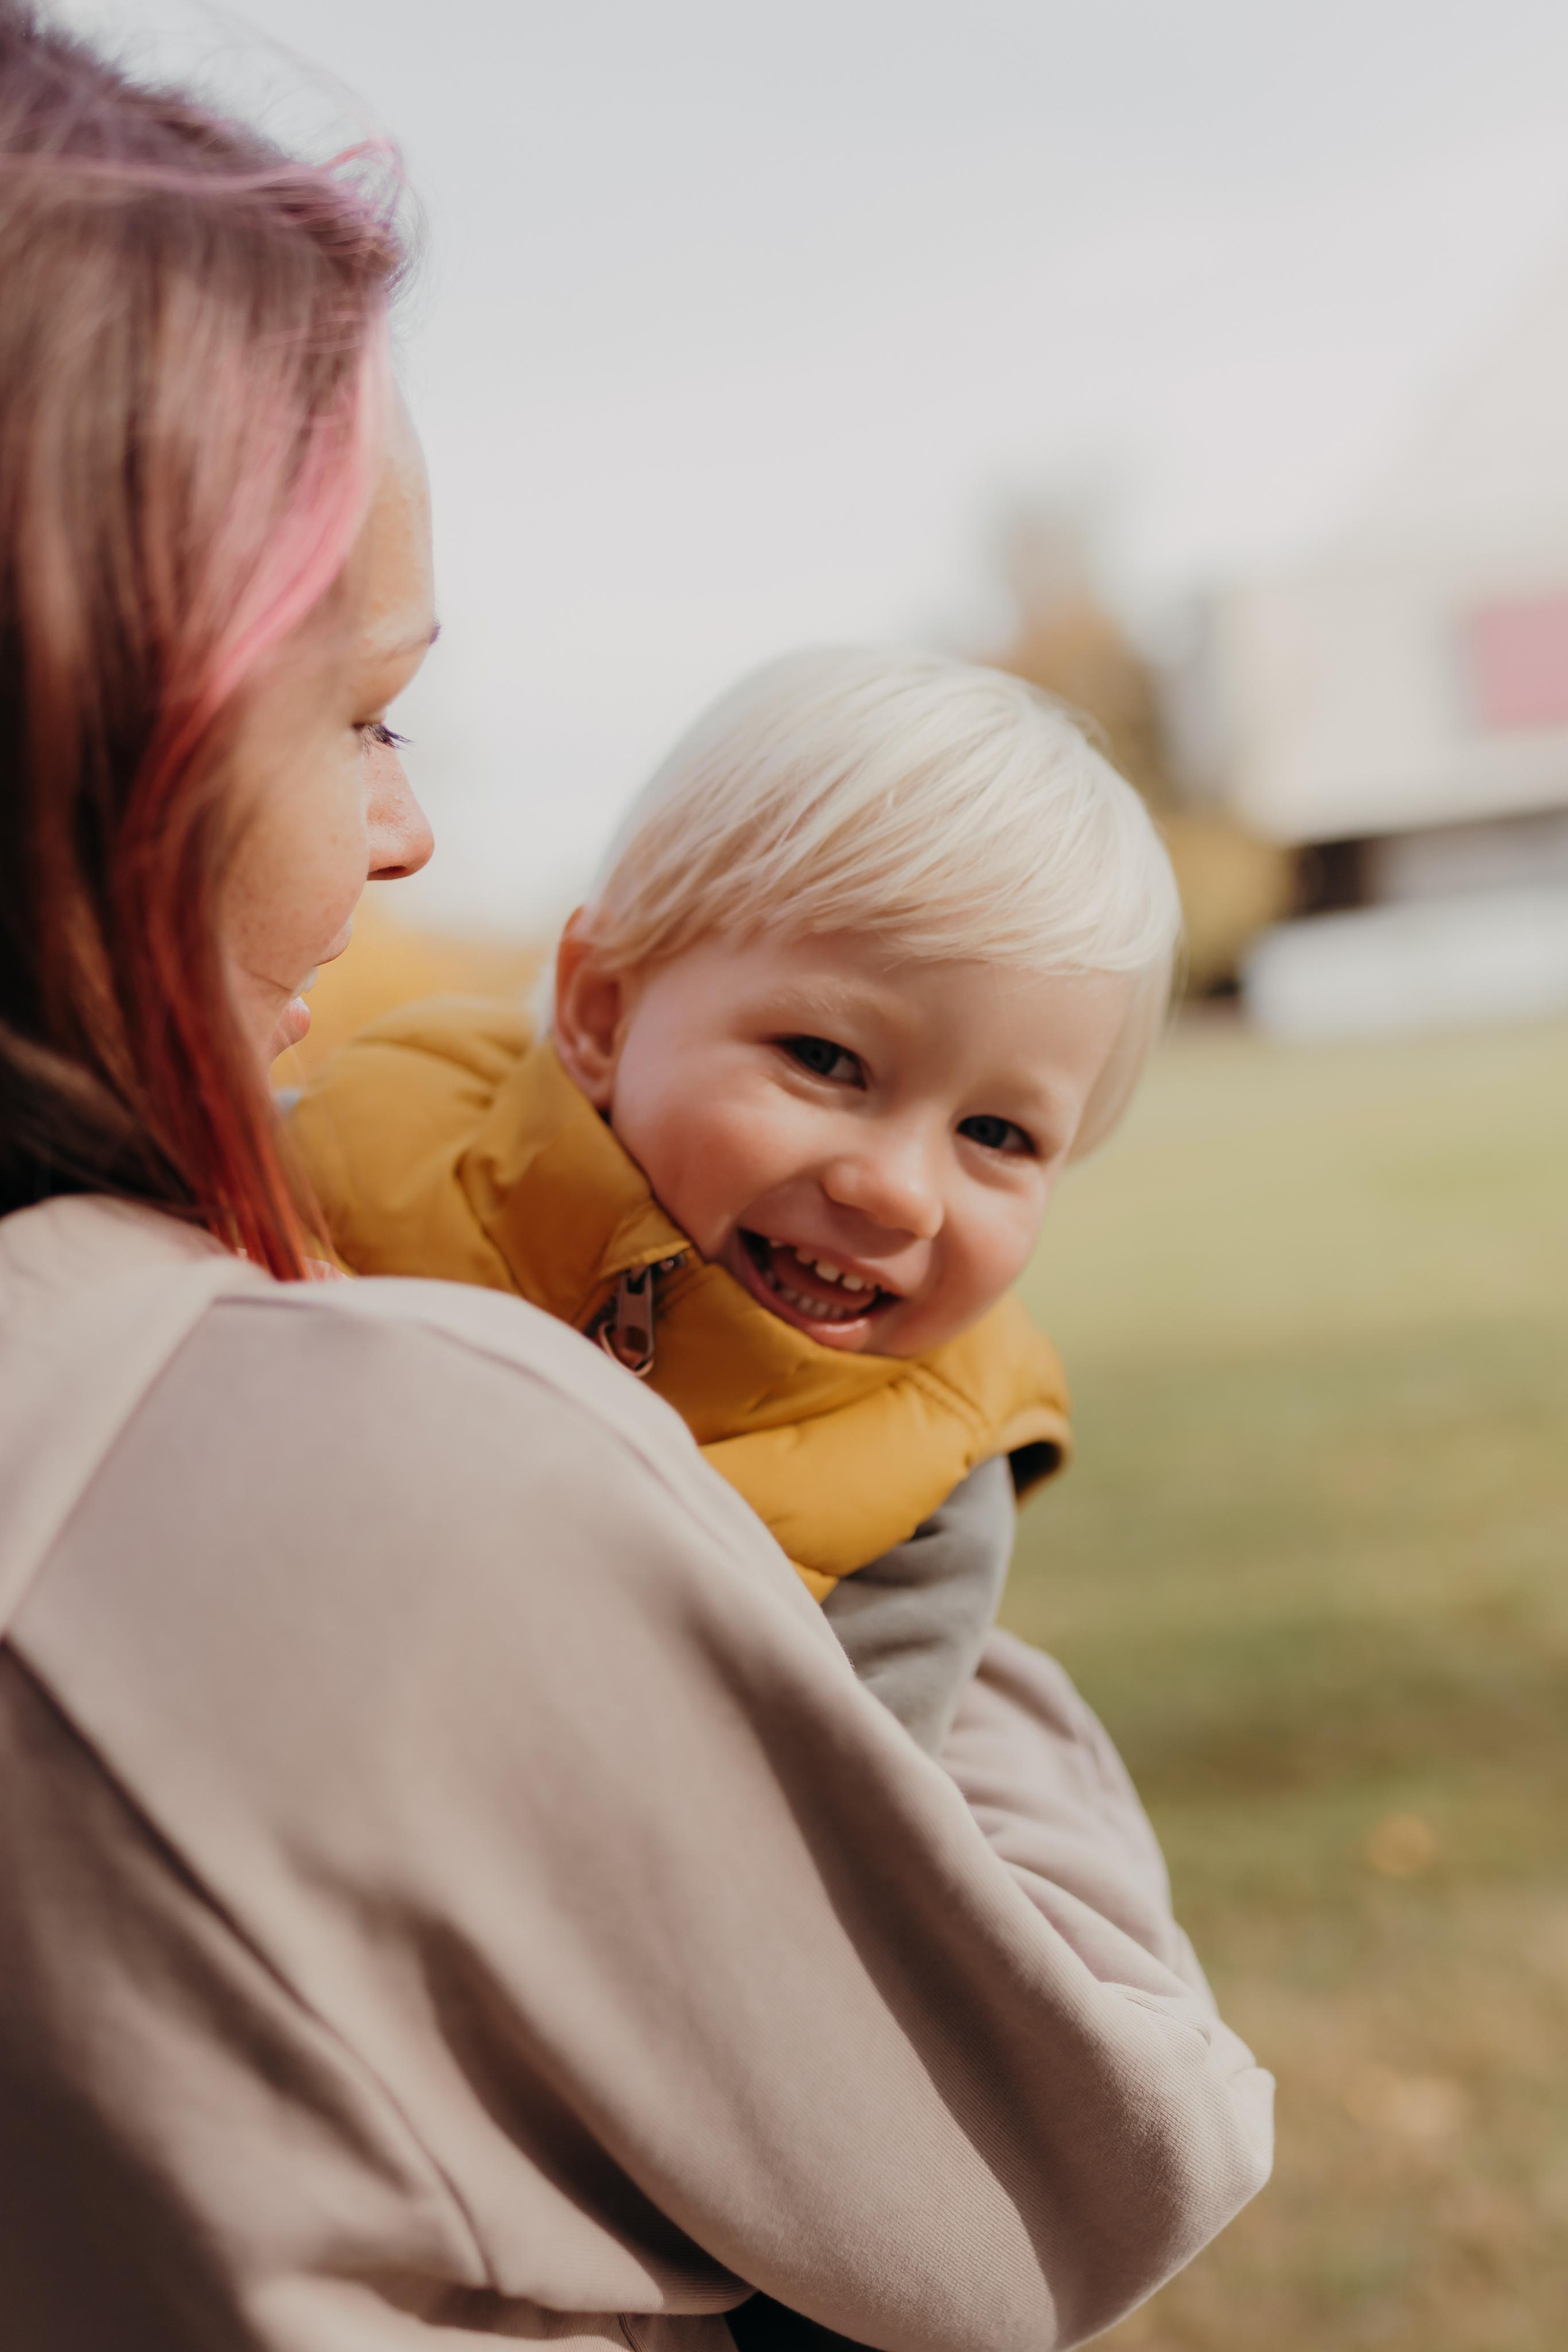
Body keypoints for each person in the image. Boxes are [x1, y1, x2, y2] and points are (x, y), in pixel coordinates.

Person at [0, 7, 1273, 2348]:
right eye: (363, 714)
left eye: (1006, 1131)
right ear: (110, 725)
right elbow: (1069, 2164)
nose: (405, 829)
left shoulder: (918, 1469)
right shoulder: (357, 1430)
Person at [289, 649, 1179, 1754]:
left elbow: (819, 1836)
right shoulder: (365, 1135)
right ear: (603, 1014)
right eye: (825, 1058)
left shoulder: (928, 1483)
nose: (898, 1192)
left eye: (997, 1135)